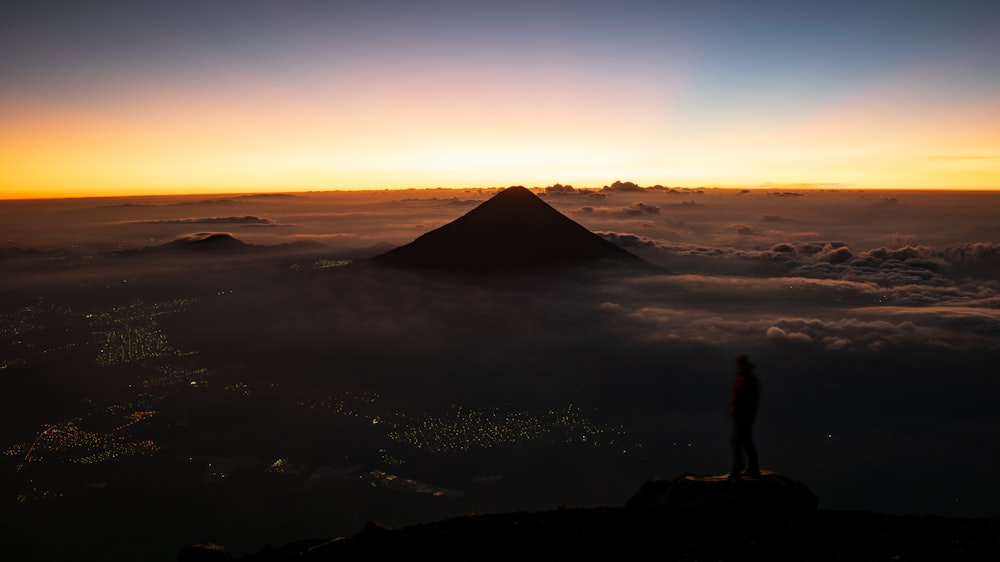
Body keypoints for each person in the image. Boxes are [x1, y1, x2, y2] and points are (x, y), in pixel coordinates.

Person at [729, 354, 760, 479]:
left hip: (744, 416)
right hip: (741, 415)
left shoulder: (748, 380)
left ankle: (741, 470)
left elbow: (748, 399)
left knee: (740, 442)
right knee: (743, 442)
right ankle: (748, 468)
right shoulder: (744, 378)